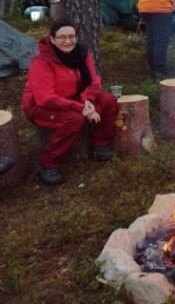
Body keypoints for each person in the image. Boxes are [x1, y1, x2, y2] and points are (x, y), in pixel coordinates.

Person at [22, 20, 118, 185]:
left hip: (73, 99)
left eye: (72, 36)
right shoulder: (42, 63)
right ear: (52, 39)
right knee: (74, 119)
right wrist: (81, 108)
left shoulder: (81, 53)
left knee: (108, 100)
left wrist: (88, 100)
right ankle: (47, 163)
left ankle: (100, 144)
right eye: (62, 37)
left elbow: (94, 80)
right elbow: (45, 98)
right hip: (41, 107)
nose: (68, 41)